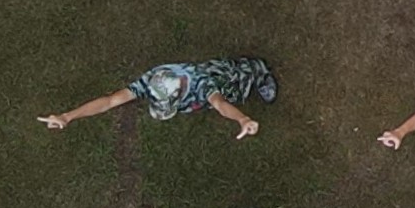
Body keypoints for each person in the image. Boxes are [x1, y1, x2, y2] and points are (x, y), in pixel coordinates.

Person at [43, 56, 278, 138]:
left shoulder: (201, 83)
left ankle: (259, 74)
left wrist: (242, 119)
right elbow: (111, 101)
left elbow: (220, 104)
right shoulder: (152, 81)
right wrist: (68, 116)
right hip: (207, 88)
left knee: (238, 87)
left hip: (225, 80)